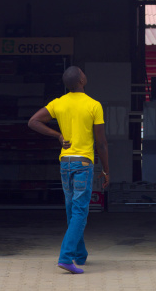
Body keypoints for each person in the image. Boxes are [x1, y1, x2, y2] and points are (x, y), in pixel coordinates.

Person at [28, 66, 109, 275]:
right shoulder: (94, 105)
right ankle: (65, 258)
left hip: (65, 163)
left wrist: (57, 136)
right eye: (83, 72)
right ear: (82, 80)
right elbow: (101, 143)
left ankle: (79, 255)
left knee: (72, 209)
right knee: (80, 211)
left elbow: (33, 121)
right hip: (83, 163)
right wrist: (106, 169)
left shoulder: (58, 103)